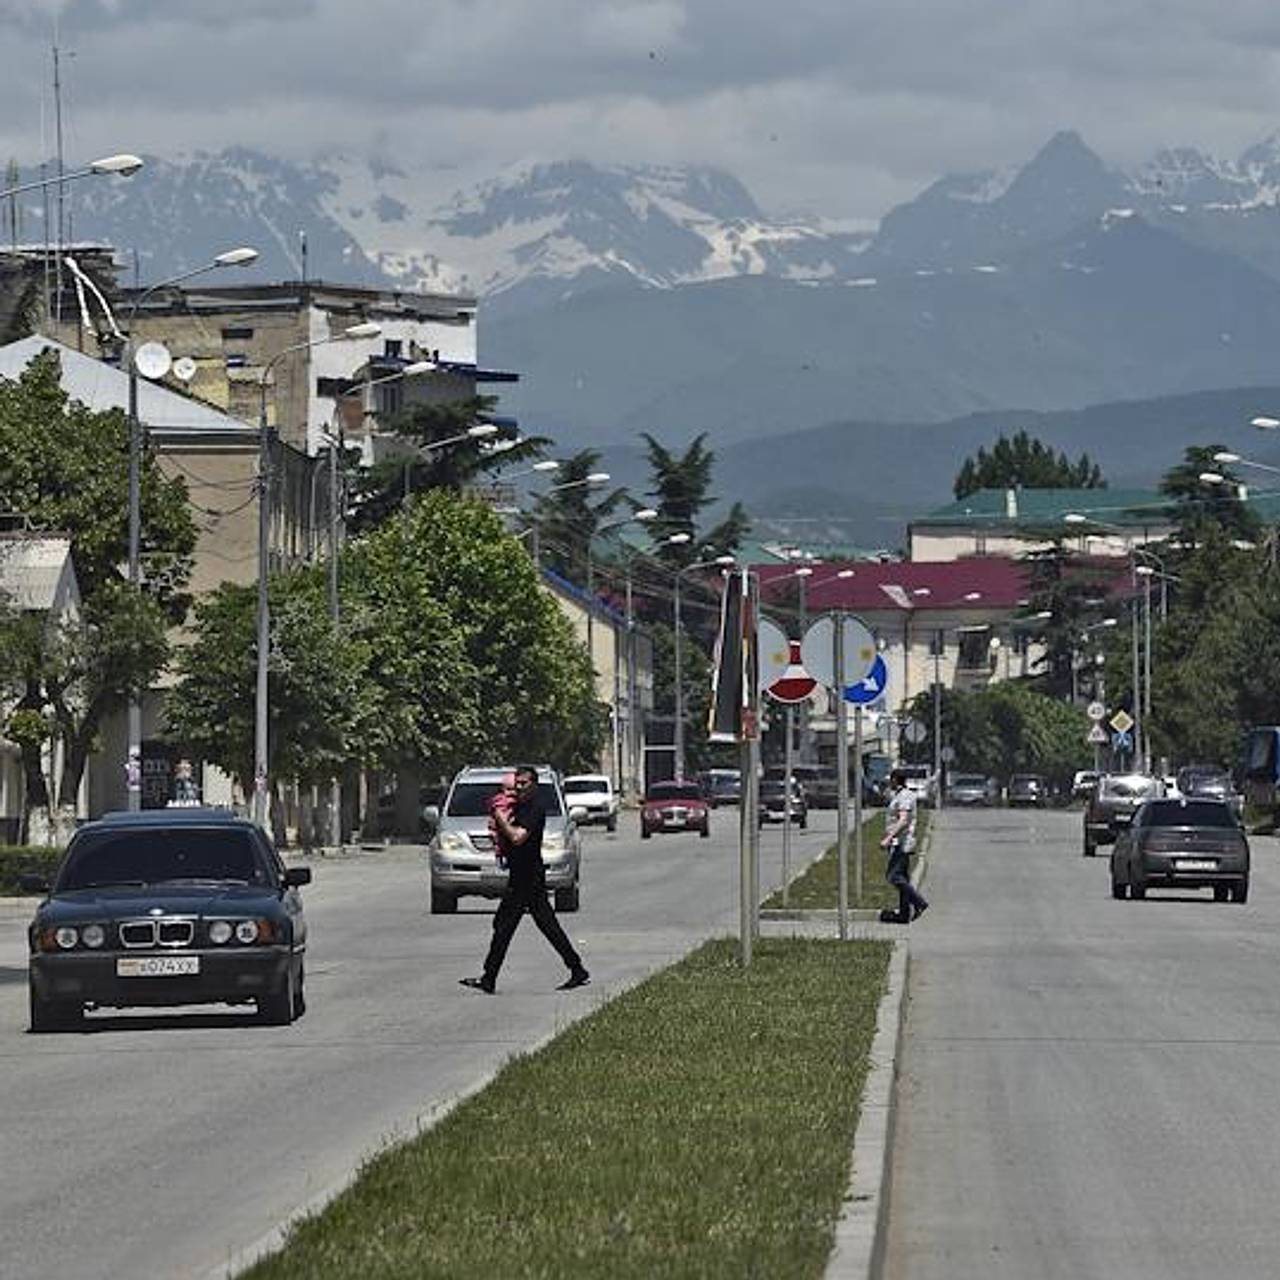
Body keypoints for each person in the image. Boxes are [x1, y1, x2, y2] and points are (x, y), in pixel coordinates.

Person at [461, 766, 590, 994]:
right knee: (533, 925)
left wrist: (500, 819)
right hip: (519, 875)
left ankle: (489, 978)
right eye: (517, 783)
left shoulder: (535, 809)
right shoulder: (518, 806)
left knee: (506, 927)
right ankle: (577, 969)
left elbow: (517, 837)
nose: (519, 787)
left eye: (524, 783)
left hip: (529, 878)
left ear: (534, 785)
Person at [879, 768, 928, 925]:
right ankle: (904, 914)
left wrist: (888, 838)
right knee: (903, 878)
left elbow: (903, 820)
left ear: (895, 780)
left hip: (902, 842)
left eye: (890, 780)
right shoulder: (900, 795)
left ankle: (919, 903)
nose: (889, 783)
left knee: (893, 876)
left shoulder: (905, 796)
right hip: (899, 842)